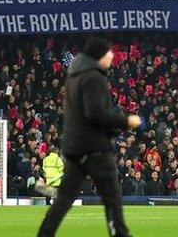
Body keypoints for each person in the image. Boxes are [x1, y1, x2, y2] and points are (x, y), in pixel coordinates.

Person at [37, 38, 142, 237]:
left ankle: (44, 234)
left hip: (76, 146)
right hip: (93, 147)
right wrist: (125, 121)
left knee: (64, 198)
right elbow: (94, 113)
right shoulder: (93, 77)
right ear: (99, 56)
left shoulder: (75, 75)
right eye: (109, 52)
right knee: (112, 197)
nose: (112, 55)